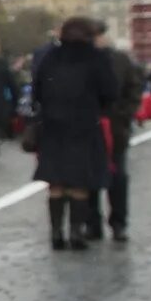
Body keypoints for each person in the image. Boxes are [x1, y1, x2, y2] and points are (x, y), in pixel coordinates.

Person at [31, 18, 118, 251]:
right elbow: (110, 91)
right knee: (80, 182)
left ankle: (56, 233)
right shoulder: (97, 58)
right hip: (84, 125)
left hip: (53, 126)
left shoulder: (51, 57)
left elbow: (37, 88)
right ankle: (76, 233)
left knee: (56, 183)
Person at [99, 23, 144, 242]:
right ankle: (92, 223)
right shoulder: (83, 60)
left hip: (116, 126)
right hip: (90, 126)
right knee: (89, 176)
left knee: (118, 176)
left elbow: (134, 88)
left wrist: (126, 114)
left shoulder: (120, 60)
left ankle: (118, 223)